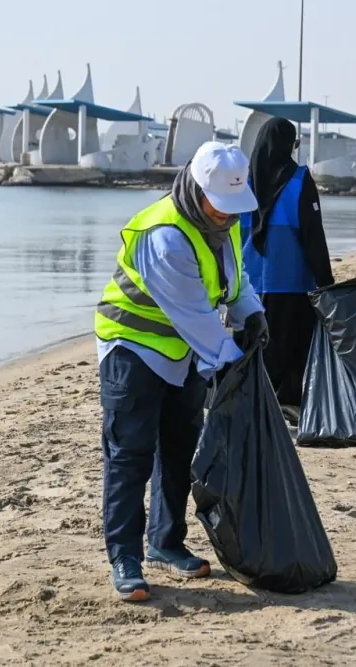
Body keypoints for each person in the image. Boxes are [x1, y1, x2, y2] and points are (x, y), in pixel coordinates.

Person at [94, 141, 267, 602]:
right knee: (130, 454)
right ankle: (125, 558)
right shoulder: (164, 235)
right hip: (133, 347)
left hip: (184, 351)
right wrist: (232, 360)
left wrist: (251, 311)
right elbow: (196, 318)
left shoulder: (225, 221)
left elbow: (234, 280)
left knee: (179, 447)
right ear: (196, 189)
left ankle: (165, 542)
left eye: (233, 205)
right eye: (219, 204)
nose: (226, 214)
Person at [239, 117, 334, 424]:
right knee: (293, 344)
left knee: (254, 346)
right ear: (289, 146)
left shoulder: (243, 184)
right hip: (292, 281)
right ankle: (287, 401)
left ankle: (255, 402)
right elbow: (313, 235)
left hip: (248, 285)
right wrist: (327, 282)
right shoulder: (299, 179)